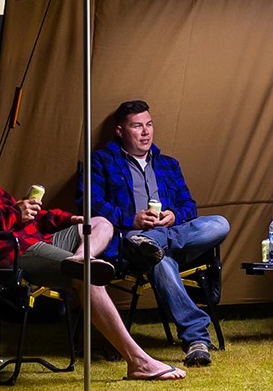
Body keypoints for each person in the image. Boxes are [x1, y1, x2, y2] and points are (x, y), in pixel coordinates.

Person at [0, 109, 185, 382]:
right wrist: (15, 213)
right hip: (5, 250)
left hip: (31, 239)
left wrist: (67, 219)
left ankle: (79, 258)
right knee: (89, 277)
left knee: (100, 223)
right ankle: (138, 362)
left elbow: (22, 212)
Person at [81, 99, 230, 367]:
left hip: (171, 237)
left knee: (219, 223)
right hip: (129, 241)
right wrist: (132, 219)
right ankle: (196, 340)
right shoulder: (101, 161)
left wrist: (175, 215)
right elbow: (89, 204)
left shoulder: (168, 164)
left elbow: (189, 206)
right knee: (159, 261)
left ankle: (154, 242)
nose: (146, 132)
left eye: (149, 125)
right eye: (137, 126)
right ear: (120, 131)